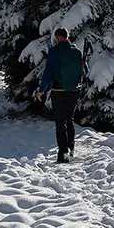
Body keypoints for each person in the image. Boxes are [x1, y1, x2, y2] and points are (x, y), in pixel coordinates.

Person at [37, 27, 86, 163]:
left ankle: (62, 153)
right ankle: (71, 149)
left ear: (57, 37)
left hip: (58, 91)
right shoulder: (77, 51)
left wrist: (41, 91)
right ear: (67, 36)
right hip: (74, 91)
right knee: (69, 119)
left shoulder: (54, 52)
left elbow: (48, 73)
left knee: (60, 122)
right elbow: (85, 70)